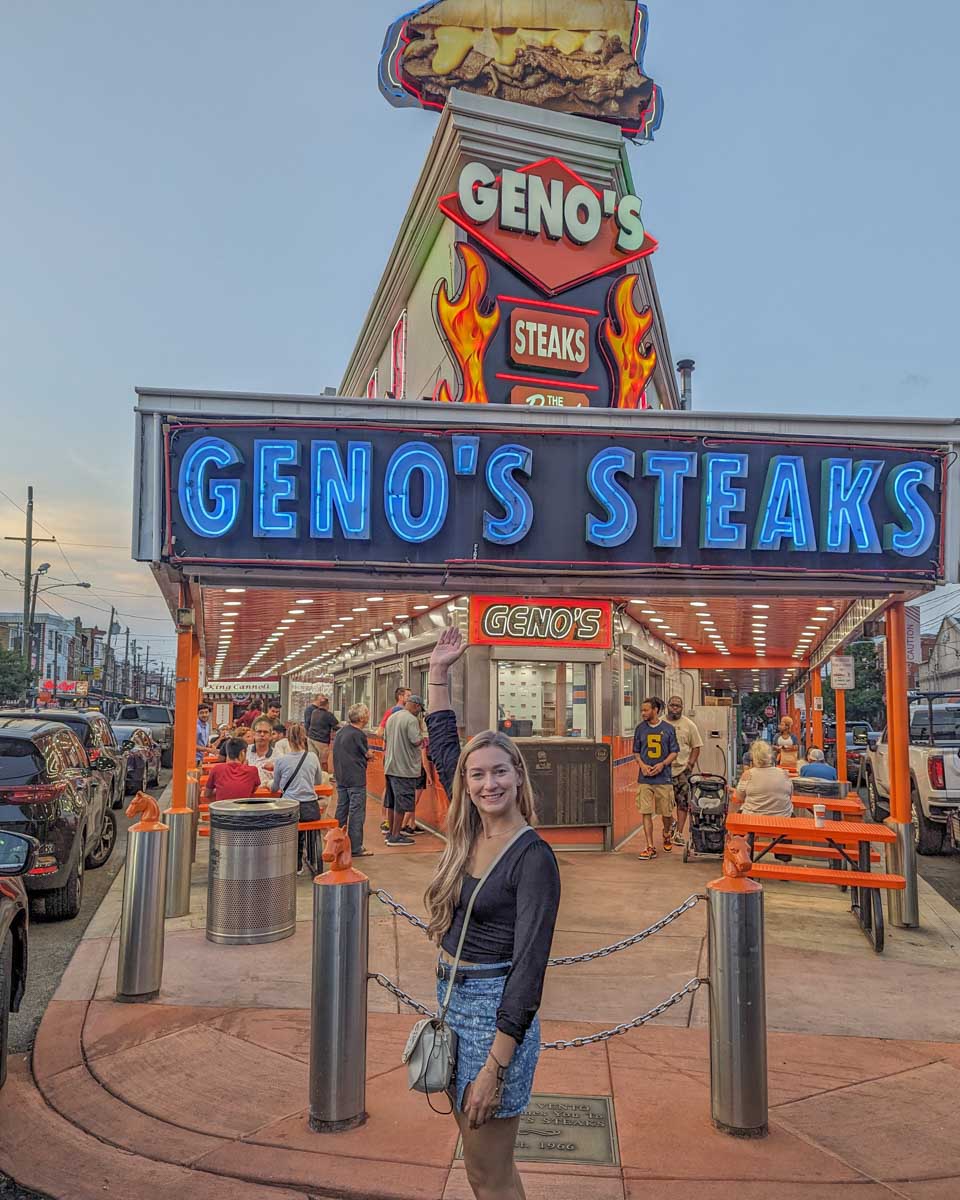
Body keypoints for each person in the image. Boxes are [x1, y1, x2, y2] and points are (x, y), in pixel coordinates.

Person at [423, 625, 561, 1200]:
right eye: (478, 775)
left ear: (519, 776)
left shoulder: (533, 859)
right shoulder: (468, 829)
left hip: (494, 1021)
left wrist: (495, 1066)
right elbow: (444, 747)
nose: (487, 783)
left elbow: (528, 973)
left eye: (500, 771)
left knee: (487, 1172)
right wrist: (438, 675)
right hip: (453, 1003)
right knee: (484, 1167)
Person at [273, 722, 324, 874]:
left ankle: (288, 861)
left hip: (288, 808)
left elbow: (275, 787)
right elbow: (318, 781)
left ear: (287, 740)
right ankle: (300, 863)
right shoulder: (313, 757)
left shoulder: (281, 761)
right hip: (310, 809)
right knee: (302, 829)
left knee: (287, 827)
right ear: (304, 739)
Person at [633, 697, 680, 861]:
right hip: (645, 778)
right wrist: (642, 765)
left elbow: (674, 751)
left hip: (663, 778)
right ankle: (649, 846)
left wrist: (662, 764)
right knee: (645, 812)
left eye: (646, 710)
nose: (643, 713)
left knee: (666, 812)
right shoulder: (640, 729)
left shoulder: (668, 729)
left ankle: (667, 832)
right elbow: (636, 751)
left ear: (655, 710)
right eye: (642, 710)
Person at [333, 703, 374, 858]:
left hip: (341, 777)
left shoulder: (341, 732)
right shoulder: (358, 734)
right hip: (356, 778)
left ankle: (336, 842)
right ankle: (356, 847)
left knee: (341, 810)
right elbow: (367, 753)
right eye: (368, 713)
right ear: (362, 717)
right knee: (356, 813)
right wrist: (370, 756)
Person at [383, 695, 425, 846]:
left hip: (390, 766)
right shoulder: (411, 720)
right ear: (416, 706)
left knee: (392, 802)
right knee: (402, 804)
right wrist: (424, 736)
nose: (419, 713)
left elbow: (386, 739)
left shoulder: (392, 718)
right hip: (404, 769)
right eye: (420, 709)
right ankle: (396, 836)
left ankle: (390, 833)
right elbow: (415, 740)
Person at [665, 696, 703, 852]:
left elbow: (696, 746)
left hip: (682, 771)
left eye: (678, 706)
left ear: (682, 707)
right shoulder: (660, 723)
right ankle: (671, 824)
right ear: (667, 706)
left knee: (683, 803)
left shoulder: (689, 725)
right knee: (664, 806)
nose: (675, 708)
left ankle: (679, 833)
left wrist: (690, 765)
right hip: (664, 770)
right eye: (672, 705)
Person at [730, 740, 794, 818]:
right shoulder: (783, 773)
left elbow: (739, 798)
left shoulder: (748, 774)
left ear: (753, 756)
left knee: (735, 816)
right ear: (770, 755)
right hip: (783, 818)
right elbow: (790, 796)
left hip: (753, 818)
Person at [203, 738, 261, 804]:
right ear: (242, 752)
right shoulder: (252, 770)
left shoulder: (217, 769)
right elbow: (252, 790)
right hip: (243, 812)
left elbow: (207, 794)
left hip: (221, 811)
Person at [307, 695, 339, 772]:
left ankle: (313, 777)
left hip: (310, 738)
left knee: (313, 760)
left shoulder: (314, 712)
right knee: (323, 761)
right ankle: (325, 777)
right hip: (321, 741)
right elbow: (336, 726)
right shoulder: (328, 715)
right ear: (327, 705)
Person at [245, 717, 276, 785]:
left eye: (265, 732)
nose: (262, 734)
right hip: (247, 793)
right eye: (259, 731)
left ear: (271, 736)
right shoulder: (244, 752)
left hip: (268, 794)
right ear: (253, 734)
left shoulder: (278, 756)